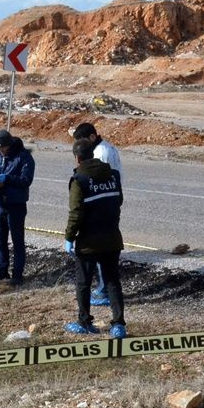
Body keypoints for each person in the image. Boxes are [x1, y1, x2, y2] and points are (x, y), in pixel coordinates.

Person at [63, 138, 127, 338]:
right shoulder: (113, 175)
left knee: (83, 282)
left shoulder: (79, 180)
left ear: (77, 158)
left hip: (89, 241)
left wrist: (69, 237)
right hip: (112, 237)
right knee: (112, 282)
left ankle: (84, 322)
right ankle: (118, 325)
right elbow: (119, 200)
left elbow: (75, 213)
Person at [72, 122, 121, 304]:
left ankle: (103, 290)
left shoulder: (101, 153)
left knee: (102, 250)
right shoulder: (106, 147)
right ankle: (104, 287)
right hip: (110, 200)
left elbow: (102, 179)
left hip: (102, 204)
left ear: (92, 137)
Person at [0, 129, 35, 286]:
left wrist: (7, 179)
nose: (0, 150)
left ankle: (17, 274)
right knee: (0, 239)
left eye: (2, 147)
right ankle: (1, 271)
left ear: (9, 145)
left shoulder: (24, 158)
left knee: (17, 241)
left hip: (16, 205)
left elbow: (25, 180)